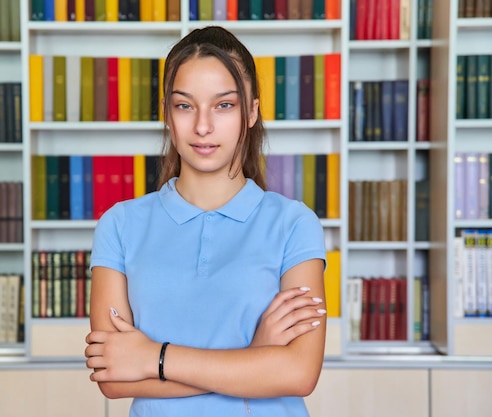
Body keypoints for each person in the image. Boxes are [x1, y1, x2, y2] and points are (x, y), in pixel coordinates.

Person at [84, 26, 327, 417]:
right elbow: (113, 376)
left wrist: (153, 358)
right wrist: (254, 358)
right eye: (185, 105)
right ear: (167, 113)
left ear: (251, 112)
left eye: (223, 105)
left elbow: (298, 372)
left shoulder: (294, 224)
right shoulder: (120, 225)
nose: (202, 126)